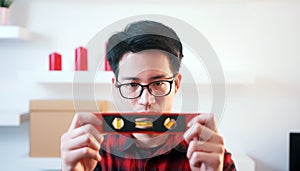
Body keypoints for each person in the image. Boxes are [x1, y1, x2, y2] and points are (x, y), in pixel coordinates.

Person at [60, 20, 236, 171]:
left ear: (176, 84)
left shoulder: (208, 152)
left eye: (158, 83)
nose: (146, 101)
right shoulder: (94, 152)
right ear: (116, 88)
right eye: (132, 85)